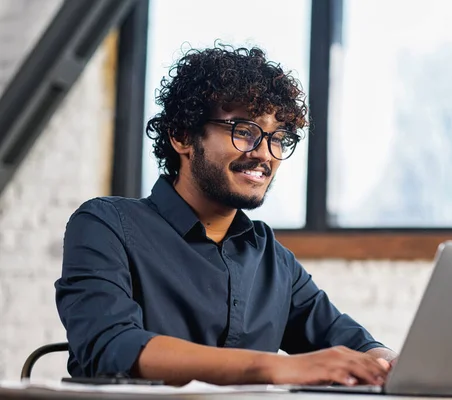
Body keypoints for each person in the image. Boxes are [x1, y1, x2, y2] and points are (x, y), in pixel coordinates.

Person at [55, 44, 396, 387]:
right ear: (182, 135)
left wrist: (392, 363)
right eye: (245, 131)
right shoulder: (105, 225)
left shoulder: (270, 257)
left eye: (278, 137)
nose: (264, 153)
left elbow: (352, 344)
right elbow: (111, 348)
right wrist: (274, 367)